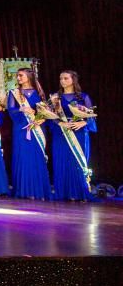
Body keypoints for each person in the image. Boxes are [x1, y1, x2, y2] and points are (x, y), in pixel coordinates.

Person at [49, 70, 96, 201]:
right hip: (61, 133)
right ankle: (64, 193)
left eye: (65, 78)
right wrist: (60, 123)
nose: (62, 81)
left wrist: (83, 122)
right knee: (62, 160)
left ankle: (80, 193)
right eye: (61, 79)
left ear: (73, 80)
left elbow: (91, 116)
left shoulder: (83, 97)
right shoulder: (55, 98)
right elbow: (51, 116)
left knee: (77, 162)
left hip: (79, 132)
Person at [7, 68, 51, 200]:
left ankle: (39, 189)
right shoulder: (14, 93)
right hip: (21, 127)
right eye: (17, 76)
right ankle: (24, 190)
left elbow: (45, 111)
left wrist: (39, 118)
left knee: (37, 157)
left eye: (21, 75)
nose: (18, 78)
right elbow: (11, 110)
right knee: (23, 157)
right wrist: (22, 109)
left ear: (29, 76)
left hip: (37, 127)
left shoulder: (39, 92)